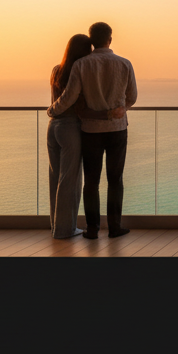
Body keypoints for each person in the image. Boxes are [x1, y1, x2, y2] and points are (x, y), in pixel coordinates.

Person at [49, 21, 137, 238]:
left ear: (92, 40)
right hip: (117, 129)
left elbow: (69, 97)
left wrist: (52, 110)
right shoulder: (125, 64)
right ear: (110, 39)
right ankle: (115, 228)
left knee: (91, 182)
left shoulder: (81, 65)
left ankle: (92, 229)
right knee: (115, 180)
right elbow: (132, 97)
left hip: (90, 131)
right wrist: (121, 109)